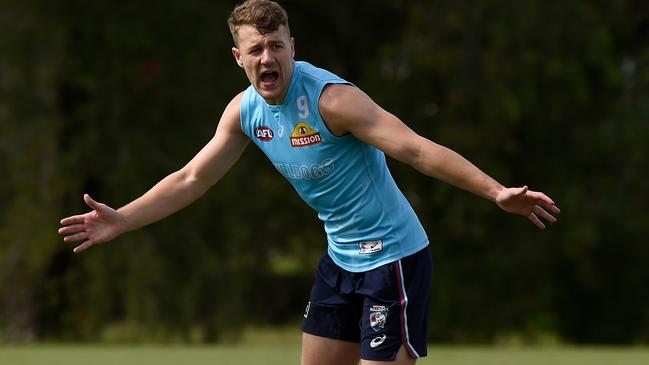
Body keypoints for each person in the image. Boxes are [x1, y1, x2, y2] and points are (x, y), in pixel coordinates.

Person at [58, 1, 560, 364]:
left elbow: (416, 150)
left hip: (394, 261)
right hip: (340, 261)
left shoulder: (332, 101)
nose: (267, 58)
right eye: (255, 50)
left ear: (292, 46)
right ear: (239, 58)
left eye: (276, 46)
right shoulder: (245, 112)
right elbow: (191, 178)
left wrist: (495, 191)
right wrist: (122, 219)